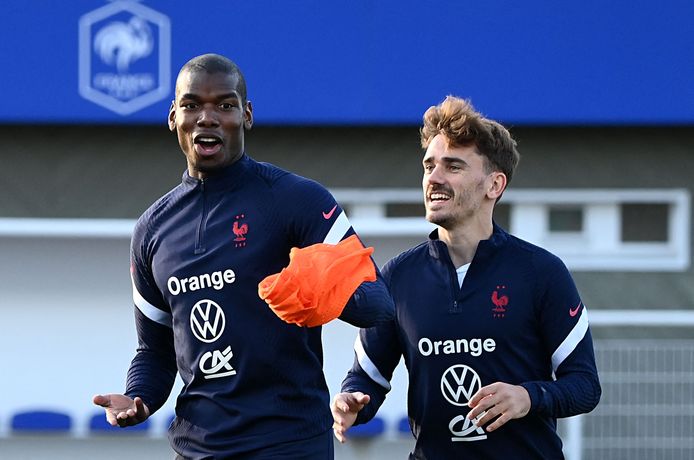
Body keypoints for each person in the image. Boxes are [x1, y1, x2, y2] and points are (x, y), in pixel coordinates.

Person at [93, 53, 394, 459]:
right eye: (192, 105)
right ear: (173, 117)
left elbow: (378, 303)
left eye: (225, 105)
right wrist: (139, 398)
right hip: (199, 448)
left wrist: (326, 290)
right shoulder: (152, 230)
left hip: (290, 443)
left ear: (247, 115)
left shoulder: (298, 201)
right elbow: (155, 351)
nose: (207, 117)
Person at [331, 96, 601, 459]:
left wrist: (528, 396)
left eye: (453, 166)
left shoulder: (541, 273)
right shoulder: (397, 277)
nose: (434, 178)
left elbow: (584, 386)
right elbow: (367, 379)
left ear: (494, 185)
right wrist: (353, 402)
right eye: (429, 166)